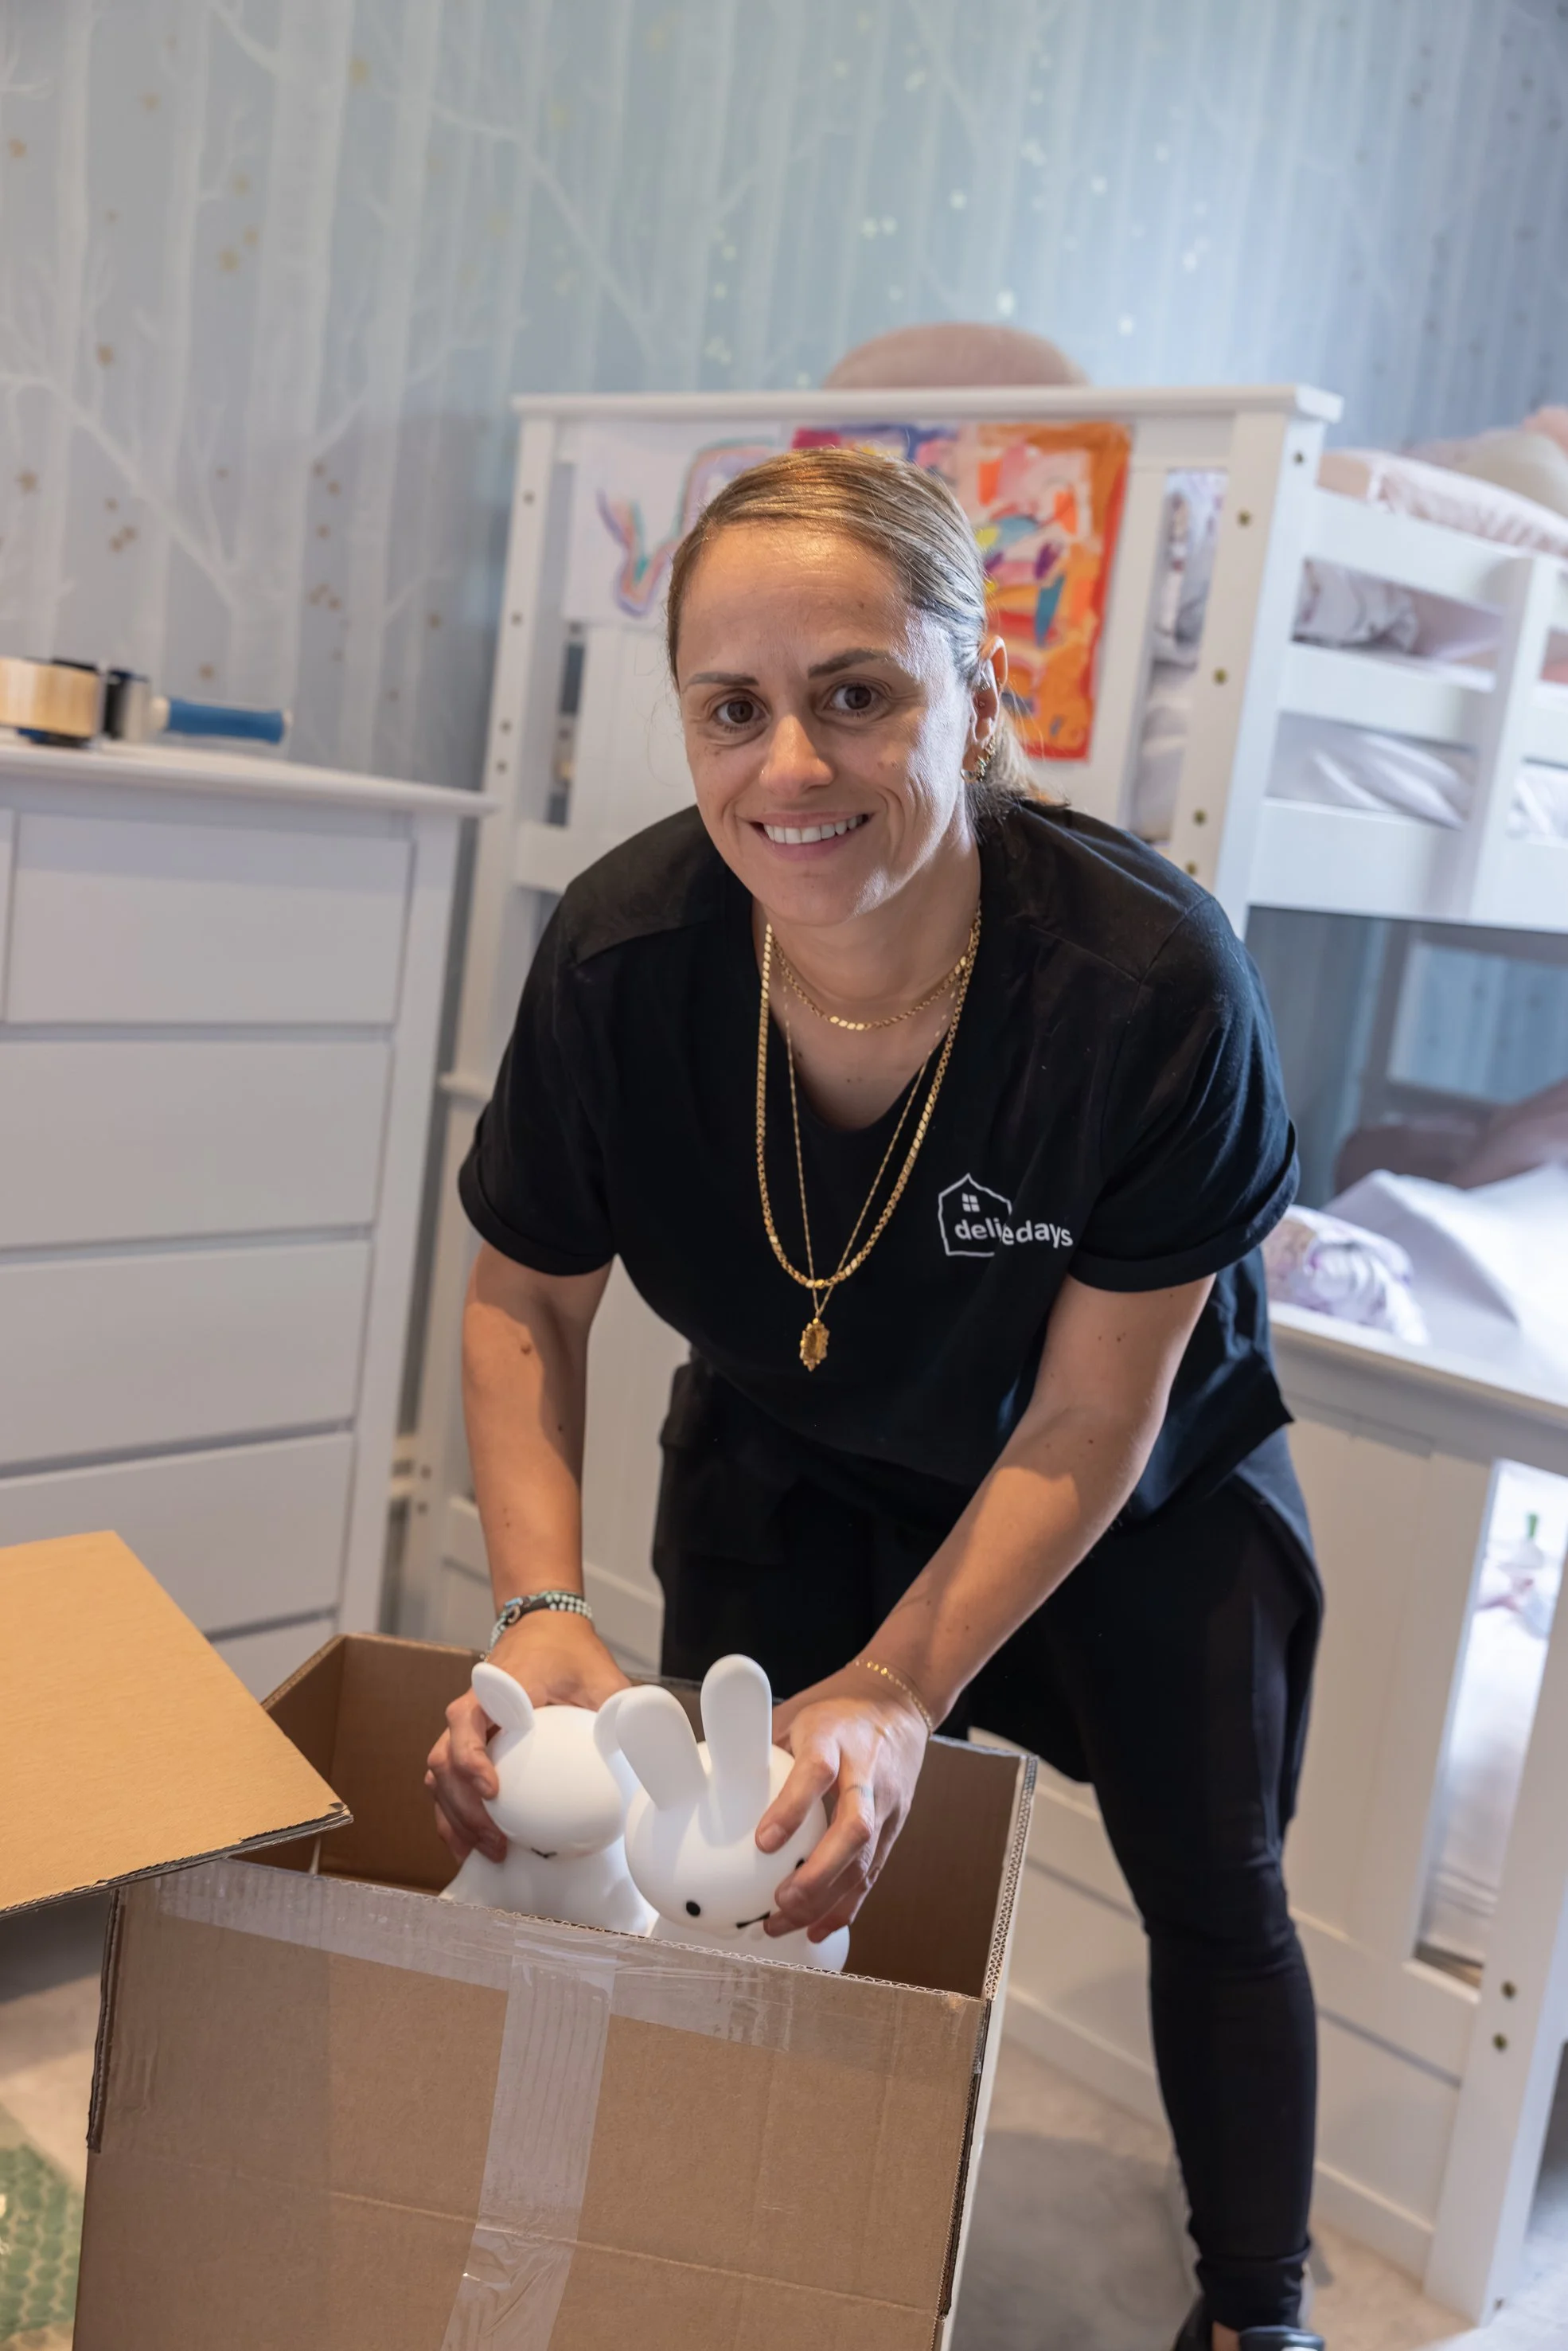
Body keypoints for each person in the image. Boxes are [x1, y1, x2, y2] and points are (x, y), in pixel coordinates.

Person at [426, 445, 1324, 2351]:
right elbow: (524, 1298)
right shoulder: (623, 959)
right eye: (730, 708)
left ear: (976, 698)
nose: (788, 767)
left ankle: (1259, 2312)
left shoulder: (1151, 990)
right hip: (796, 1454)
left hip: (1133, 1484)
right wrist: (541, 1609)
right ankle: (738, 2272)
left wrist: (906, 1685)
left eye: (856, 695)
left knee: (1216, 1890)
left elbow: (1087, 1418)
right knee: (742, 1879)